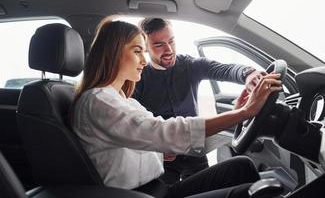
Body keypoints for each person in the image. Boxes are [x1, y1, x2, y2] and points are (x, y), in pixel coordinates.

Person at [71, 16, 282, 198]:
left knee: (240, 166)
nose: (143, 61)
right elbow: (160, 131)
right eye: (138, 51)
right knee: (257, 191)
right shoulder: (99, 101)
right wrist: (245, 112)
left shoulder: (122, 100)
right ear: (113, 53)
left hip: (160, 184)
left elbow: (136, 137)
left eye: (171, 41)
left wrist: (247, 75)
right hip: (143, 193)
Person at [133, 17, 264, 184]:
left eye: (171, 41)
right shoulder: (137, 77)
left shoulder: (190, 65)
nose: (169, 50)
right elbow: (134, 123)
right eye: (159, 45)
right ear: (145, 48)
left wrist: (248, 73)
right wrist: (152, 148)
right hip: (161, 158)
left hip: (195, 151)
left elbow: (224, 69)